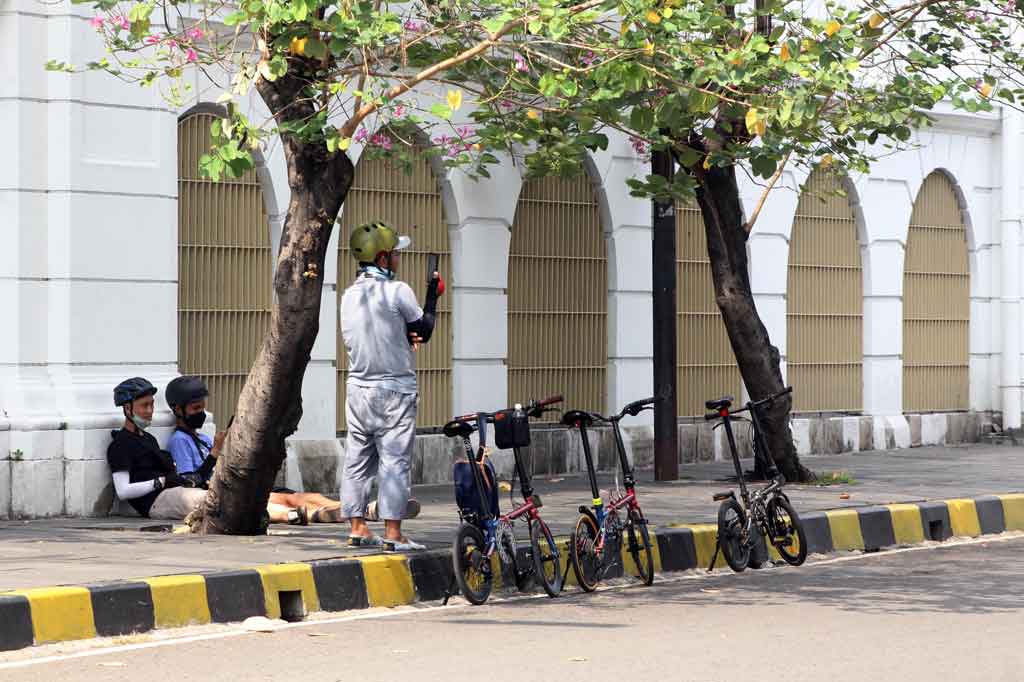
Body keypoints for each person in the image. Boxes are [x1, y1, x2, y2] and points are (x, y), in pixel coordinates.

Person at [339, 221, 442, 551]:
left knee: (356, 458)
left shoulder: (349, 296)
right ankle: (394, 534)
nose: (399, 257)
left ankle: (357, 527)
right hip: (394, 390)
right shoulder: (399, 292)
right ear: (383, 258)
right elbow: (422, 331)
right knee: (394, 461)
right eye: (396, 253)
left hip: (357, 390)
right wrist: (432, 296)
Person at [164, 375, 346, 524]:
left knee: (298, 495)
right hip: (221, 491)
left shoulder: (202, 438)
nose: (201, 413)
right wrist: (215, 453)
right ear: (178, 410)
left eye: (203, 408)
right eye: (196, 408)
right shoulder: (179, 441)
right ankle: (323, 514)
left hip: (240, 481)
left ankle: (345, 508)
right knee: (288, 500)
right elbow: (191, 482)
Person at [107, 377, 207, 520]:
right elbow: (122, 491)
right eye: (144, 405)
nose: (150, 411)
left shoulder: (149, 439)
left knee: (220, 498)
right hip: (156, 502)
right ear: (128, 408)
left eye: (152, 405)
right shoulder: (120, 445)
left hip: (173, 492)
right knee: (208, 501)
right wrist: (160, 482)